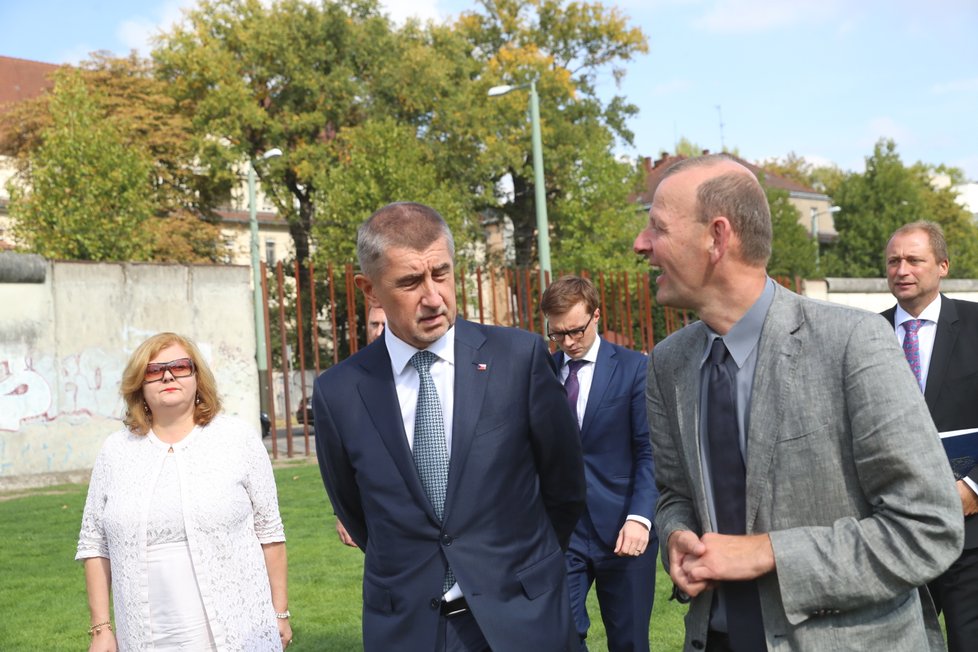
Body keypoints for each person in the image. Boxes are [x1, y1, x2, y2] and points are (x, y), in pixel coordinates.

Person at [632, 154, 963, 651]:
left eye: (657, 227)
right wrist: (677, 534)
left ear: (717, 237)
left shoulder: (853, 343)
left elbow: (928, 526)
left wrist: (770, 554)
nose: (641, 244)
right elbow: (675, 494)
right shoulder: (667, 364)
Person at [313, 201, 586, 651]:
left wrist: (516, 571)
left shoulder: (518, 359)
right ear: (370, 290)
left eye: (440, 273)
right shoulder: (340, 392)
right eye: (409, 282)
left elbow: (565, 486)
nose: (433, 296)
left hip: (524, 619)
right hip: (410, 629)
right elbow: (356, 512)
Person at [76, 332, 292, 651]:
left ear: (196, 377)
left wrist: (280, 612)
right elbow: (94, 544)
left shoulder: (237, 439)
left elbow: (270, 532)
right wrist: (101, 629)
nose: (167, 375)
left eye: (179, 366)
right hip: (146, 632)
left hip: (236, 626)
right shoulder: (115, 451)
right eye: (154, 370)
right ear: (139, 384)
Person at [540, 275, 656, 652]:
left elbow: (649, 450)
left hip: (623, 529)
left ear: (597, 317)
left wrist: (640, 518)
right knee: (560, 636)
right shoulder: (541, 373)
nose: (568, 342)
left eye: (575, 330)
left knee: (629, 642)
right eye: (558, 334)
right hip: (563, 532)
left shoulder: (634, 369)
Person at [883, 221, 978, 652]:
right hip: (892, 530)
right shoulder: (863, 336)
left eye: (914, 260)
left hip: (970, 529)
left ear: (942, 266)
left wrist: (974, 486)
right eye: (893, 261)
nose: (902, 269)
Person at [335, 305, 387, 548]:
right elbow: (343, 454)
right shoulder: (352, 379)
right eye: (374, 325)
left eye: (385, 325)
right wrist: (342, 514)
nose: (378, 332)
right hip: (379, 513)